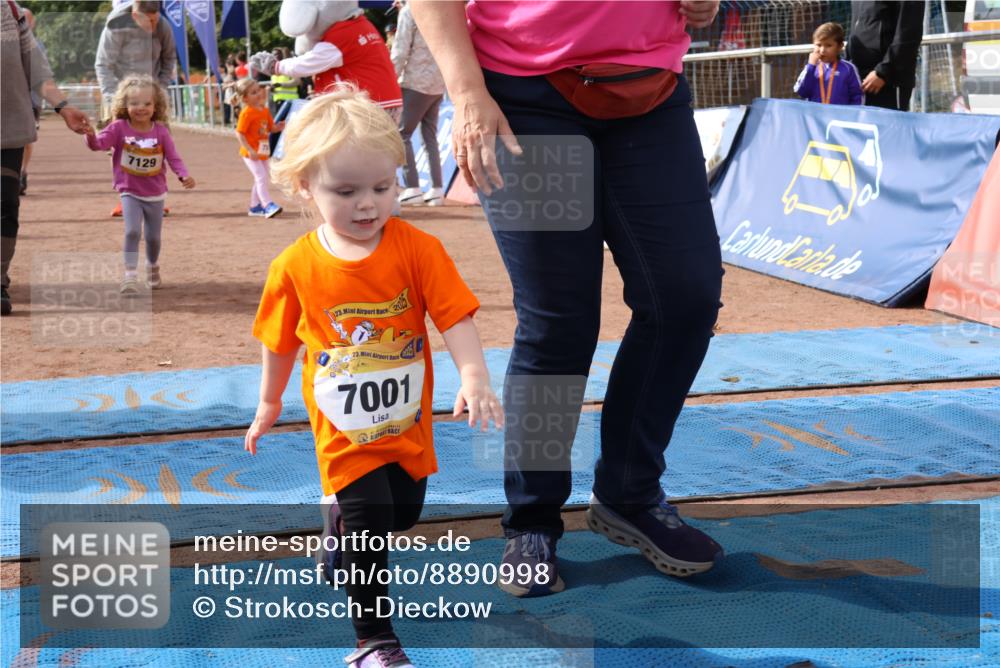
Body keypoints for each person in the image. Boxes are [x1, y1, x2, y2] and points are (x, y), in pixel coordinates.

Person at [411, 0, 725, 597]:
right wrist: (468, 91)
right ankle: (531, 521)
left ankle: (628, 493)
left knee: (686, 299)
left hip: (650, 95)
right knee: (560, 322)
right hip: (525, 99)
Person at [244, 85, 503, 668]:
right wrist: (267, 403)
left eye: (382, 188)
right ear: (305, 186)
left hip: (406, 421)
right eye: (346, 191)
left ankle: (337, 520)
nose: (367, 204)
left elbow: (453, 314)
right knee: (370, 526)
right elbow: (278, 342)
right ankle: (374, 642)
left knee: (402, 514)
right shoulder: (294, 268)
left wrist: (474, 375)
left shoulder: (418, 248)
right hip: (342, 430)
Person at [1, 0, 90, 316]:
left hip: (6, 128)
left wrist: (63, 106)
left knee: (5, 205)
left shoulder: (10, 13)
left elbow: (37, 71)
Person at [84, 74, 195, 295]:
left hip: (155, 193)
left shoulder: (161, 131)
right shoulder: (118, 128)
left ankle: (152, 266)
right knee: (132, 231)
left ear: (156, 106)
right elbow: (98, 145)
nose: (141, 108)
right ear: (124, 105)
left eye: (147, 103)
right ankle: (130, 276)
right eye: (134, 103)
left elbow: (173, 157)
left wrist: (183, 175)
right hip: (129, 191)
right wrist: (89, 134)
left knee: (153, 237)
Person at [95, 0, 176, 218]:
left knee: (157, 147)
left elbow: (169, 59)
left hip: (152, 95)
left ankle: (157, 198)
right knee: (123, 149)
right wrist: (115, 99)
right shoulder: (115, 26)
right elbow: (103, 65)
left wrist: (160, 89)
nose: (153, 23)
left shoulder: (163, 27)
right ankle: (126, 199)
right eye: (148, 20)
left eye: (156, 18)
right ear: (134, 15)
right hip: (122, 95)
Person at [391, 1, 446, 206]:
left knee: (401, 135)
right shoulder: (442, 7)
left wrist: (389, 81)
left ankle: (412, 186)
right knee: (429, 137)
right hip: (438, 83)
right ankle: (437, 189)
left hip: (414, 82)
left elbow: (400, 51)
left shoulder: (409, 11)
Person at [848, 0, 925, 111]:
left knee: (889, 127)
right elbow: (855, 30)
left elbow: (909, 35)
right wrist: (847, 65)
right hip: (859, 78)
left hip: (887, 82)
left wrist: (883, 72)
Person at [234, 78, 285, 218]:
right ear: (245, 98)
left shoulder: (264, 110)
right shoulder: (246, 113)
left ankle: (255, 207)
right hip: (250, 153)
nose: (258, 94)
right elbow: (239, 133)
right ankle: (267, 205)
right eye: (253, 92)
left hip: (263, 152)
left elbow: (270, 128)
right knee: (261, 177)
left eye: (258, 90)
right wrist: (250, 150)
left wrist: (279, 127)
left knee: (262, 178)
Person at [794, 22, 863, 105]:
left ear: (840, 46)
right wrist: (810, 67)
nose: (822, 50)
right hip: (815, 116)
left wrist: (854, 115)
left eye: (828, 45)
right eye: (818, 45)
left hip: (840, 117)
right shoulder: (811, 67)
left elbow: (857, 95)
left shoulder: (848, 69)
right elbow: (801, 92)